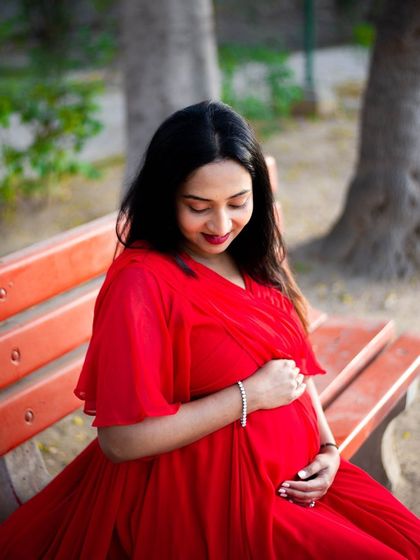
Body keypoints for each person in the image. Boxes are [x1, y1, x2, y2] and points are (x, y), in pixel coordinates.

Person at [0, 100, 419, 560]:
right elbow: (121, 441)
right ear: (165, 198)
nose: (221, 225)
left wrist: (329, 446)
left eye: (238, 203)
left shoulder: (253, 255)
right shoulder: (142, 283)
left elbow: (289, 366)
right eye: (198, 207)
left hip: (300, 482)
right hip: (216, 503)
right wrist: (250, 396)